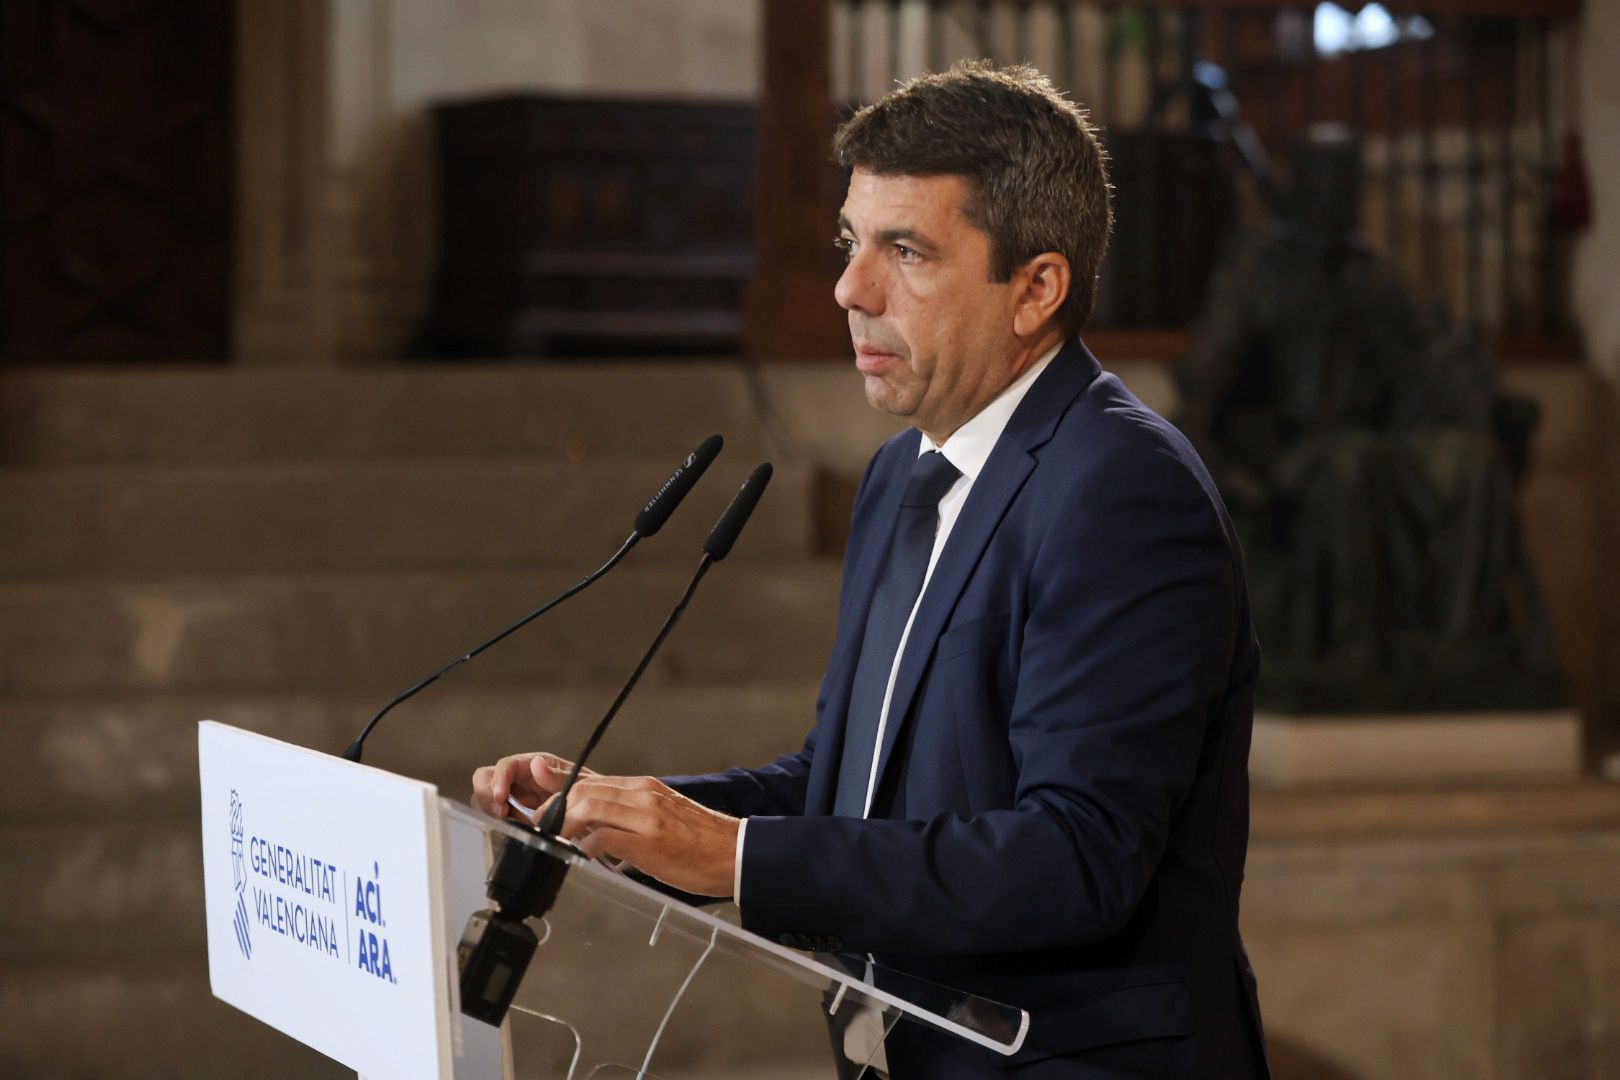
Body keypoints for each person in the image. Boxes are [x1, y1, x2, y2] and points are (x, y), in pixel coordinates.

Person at [474, 61, 1269, 1077]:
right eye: (852, 243)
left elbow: (1076, 857)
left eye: (907, 251)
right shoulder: (903, 475)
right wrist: (623, 816)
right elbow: (848, 784)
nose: (851, 289)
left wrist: (730, 857)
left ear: (1036, 289)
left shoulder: (1122, 488)